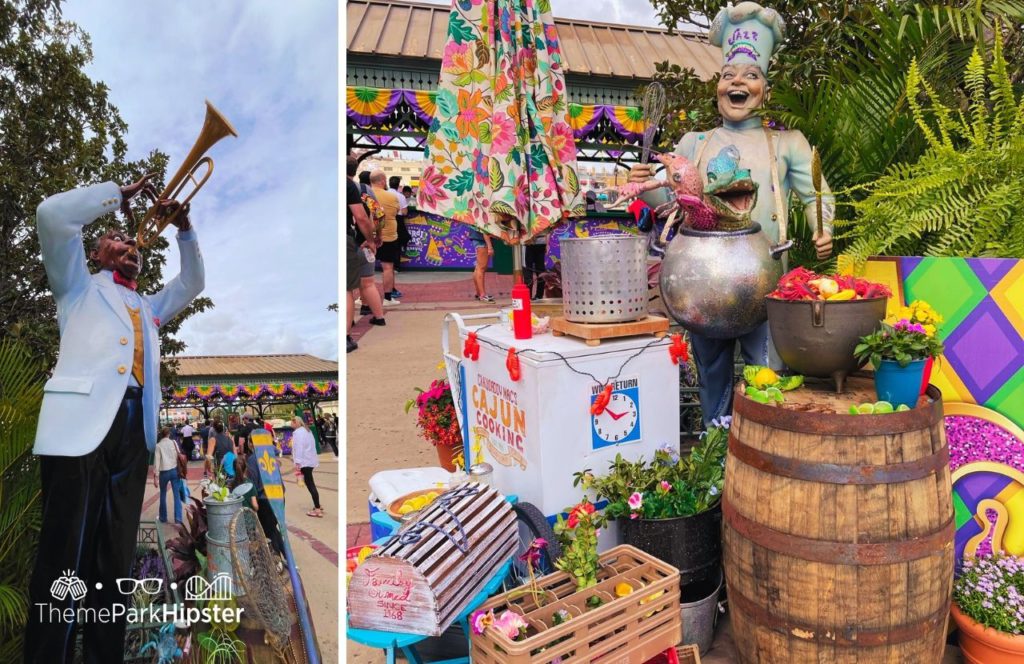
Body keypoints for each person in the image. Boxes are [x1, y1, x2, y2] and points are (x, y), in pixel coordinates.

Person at [27, 174, 204, 663]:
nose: (130, 246)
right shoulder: (76, 287)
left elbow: (192, 283)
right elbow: (52, 216)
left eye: (134, 245)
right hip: (79, 430)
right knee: (65, 555)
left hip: (133, 434)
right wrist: (115, 196)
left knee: (114, 557)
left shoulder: (147, 307)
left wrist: (185, 228)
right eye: (117, 240)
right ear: (97, 253)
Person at [630, 1, 834, 426]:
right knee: (712, 375)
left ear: (766, 91)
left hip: (767, 281)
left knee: (769, 374)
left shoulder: (788, 143)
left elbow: (817, 195)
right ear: (717, 88)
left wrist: (823, 227)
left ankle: (764, 454)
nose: (737, 83)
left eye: (751, 76)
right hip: (703, 286)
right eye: (728, 76)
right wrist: (641, 183)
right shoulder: (693, 142)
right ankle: (714, 457)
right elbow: (663, 202)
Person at [347, 157, 384, 352]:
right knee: (368, 283)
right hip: (366, 244)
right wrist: (375, 238)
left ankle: (348, 324)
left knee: (349, 289)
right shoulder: (365, 191)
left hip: (351, 242)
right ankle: (379, 317)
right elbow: (378, 215)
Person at [369, 170, 403, 305]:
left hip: (368, 237)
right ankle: (388, 298)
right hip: (389, 236)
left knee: (366, 269)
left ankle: (364, 298)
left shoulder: (365, 196)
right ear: (383, 181)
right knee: (388, 268)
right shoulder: (391, 197)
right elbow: (396, 213)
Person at [290, 416, 322, 517]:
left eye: (292, 422)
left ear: (296, 422)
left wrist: (298, 463)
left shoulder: (298, 433)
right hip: (310, 460)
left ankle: (317, 509)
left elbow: (298, 448)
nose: (291, 425)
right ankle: (317, 505)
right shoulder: (307, 431)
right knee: (311, 482)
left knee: (310, 484)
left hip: (304, 461)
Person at [153, 427, 183, 525]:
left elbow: (156, 462)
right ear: (169, 434)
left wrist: (155, 477)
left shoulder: (158, 446)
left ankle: (163, 517)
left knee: (162, 494)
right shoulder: (174, 442)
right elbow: (178, 455)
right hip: (174, 470)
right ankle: (178, 519)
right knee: (176, 495)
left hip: (164, 472)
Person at [388, 175, 410, 285]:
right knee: (398, 242)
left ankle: (387, 266)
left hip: (385, 220)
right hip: (398, 220)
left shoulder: (384, 194)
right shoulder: (400, 196)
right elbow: (405, 212)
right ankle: (396, 266)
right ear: (398, 185)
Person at [468, 227, 495, 302]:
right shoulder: (483, 215)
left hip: (477, 238)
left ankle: (479, 293)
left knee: (478, 268)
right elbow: (484, 230)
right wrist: (490, 247)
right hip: (482, 240)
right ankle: (482, 295)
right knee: (481, 268)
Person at [523, 234, 548, 300]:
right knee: (528, 272)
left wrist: (548, 244)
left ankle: (539, 296)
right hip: (527, 244)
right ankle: (528, 297)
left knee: (541, 272)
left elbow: (548, 230)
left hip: (542, 244)